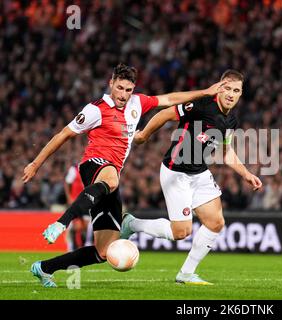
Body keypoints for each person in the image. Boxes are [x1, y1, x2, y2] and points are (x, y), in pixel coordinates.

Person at [22, 63, 226, 287]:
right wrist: (35, 163)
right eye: (119, 88)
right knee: (110, 179)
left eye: (128, 90)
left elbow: (169, 99)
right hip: (94, 164)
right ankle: (62, 223)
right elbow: (63, 134)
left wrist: (205, 92)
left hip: (111, 177)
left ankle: (43, 268)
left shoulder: (137, 102)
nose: (123, 95)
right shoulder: (95, 109)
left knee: (103, 251)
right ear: (111, 83)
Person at [120, 70, 262, 285]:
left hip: (199, 172)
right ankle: (132, 224)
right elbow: (165, 114)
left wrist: (246, 173)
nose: (231, 94)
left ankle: (186, 274)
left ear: (241, 94)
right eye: (227, 88)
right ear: (219, 87)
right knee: (181, 232)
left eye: (236, 90)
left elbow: (226, 151)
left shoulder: (231, 120)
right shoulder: (202, 104)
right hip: (176, 171)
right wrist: (143, 136)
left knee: (215, 222)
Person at [64, 164, 91, 252]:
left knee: (87, 224)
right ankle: (71, 246)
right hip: (75, 201)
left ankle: (87, 244)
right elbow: (67, 183)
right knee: (74, 225)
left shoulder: (92, 169)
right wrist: (69, 197)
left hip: (86, 202)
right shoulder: (74, 169)